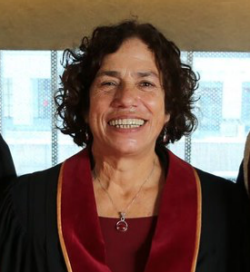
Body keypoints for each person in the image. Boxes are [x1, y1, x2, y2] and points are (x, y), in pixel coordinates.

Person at [0, 20, 250, 272]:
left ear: (169, 109)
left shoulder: (223, 208)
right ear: (85, 106)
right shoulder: (26, 206)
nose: (127, 99)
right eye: (108, 83)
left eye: (146, 84)